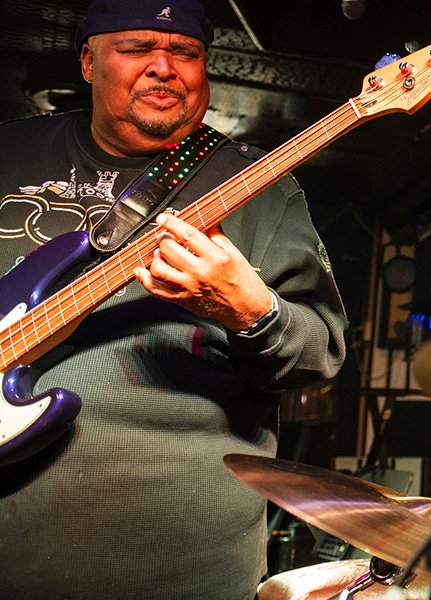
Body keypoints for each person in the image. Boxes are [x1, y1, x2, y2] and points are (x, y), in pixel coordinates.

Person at [0, 1, 347, 599]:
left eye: (184, 53)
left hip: (183, 559)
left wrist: (250, 311)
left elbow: (320, 355)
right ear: (87, 61)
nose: (163, 68)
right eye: (136, 49)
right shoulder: (9, 151)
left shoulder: (260, 187)